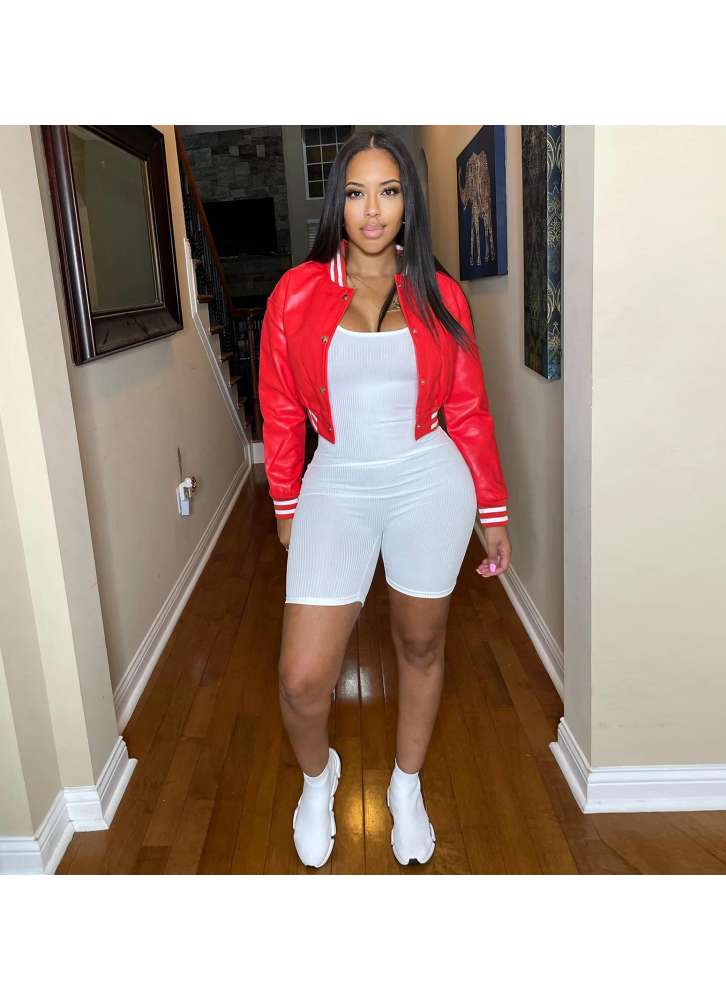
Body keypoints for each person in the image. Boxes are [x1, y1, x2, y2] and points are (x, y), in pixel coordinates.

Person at [258, 129, 511, 869]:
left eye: (390, 191)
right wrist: (285, 503)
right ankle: (318, 780)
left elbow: (468, 410)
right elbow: (280, 407)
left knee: (421, 644)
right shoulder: (295, 293)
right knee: (302, 679)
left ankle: (406, 785)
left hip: (428, 481)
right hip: (336, 481)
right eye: (358, 192)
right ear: (338, 202)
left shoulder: (440, 292)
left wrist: (492, 512)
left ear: (408, 202)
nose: (373, 210)